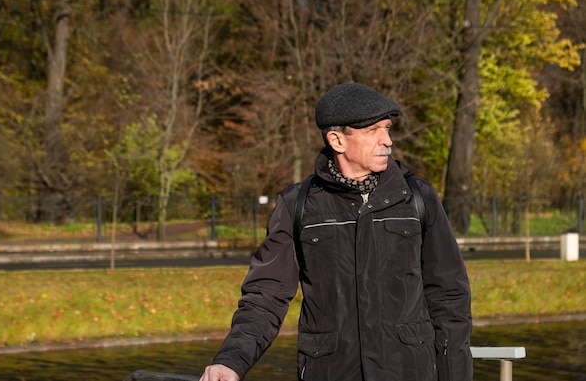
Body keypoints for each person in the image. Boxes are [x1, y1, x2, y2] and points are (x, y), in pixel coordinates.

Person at [199, 83, 473, 381]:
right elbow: (265, 297)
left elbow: (449, 300)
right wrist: (231, 361)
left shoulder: (418, 197)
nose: (387, 140)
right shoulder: (297, 206)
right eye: (373, 131)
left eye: (387, 128)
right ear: (337, 140)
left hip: (409, 371)